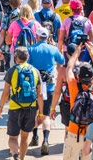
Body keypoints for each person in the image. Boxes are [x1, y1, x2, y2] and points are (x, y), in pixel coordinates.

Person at [0, 46, 44, 160]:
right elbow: (40, 94)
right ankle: (22, 158)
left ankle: (15, 155)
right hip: (31, 108)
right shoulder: (35, 71)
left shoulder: (12, 71)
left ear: (16, 58)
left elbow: (5, 92)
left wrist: (0, 107)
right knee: (25, 137)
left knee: (13, 137)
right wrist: (41, 113)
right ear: (28, 57)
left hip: (15, 108)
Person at [62, 43, 93, 160]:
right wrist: (91, 52)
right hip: (91, 135)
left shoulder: (74, 86)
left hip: (74, 131)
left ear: (78, 76)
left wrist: (77, 52)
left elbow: (69, 67)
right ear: (92, 77)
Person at [27, 27, 65, 155]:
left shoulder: (31, 49)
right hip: (49, 87)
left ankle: (34, 137)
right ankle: (46, 140)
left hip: (34, 86)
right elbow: (62, 61)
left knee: (34, 112)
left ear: (36, 36)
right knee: (46, 115)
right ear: (48, 37)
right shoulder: (53, 49)